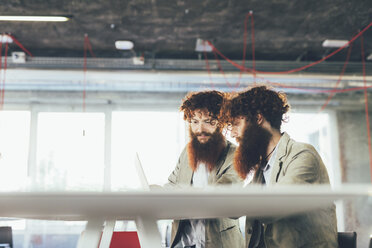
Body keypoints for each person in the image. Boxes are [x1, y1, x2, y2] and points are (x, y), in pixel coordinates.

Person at [221, 85, 338, 248]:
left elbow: (274, 206)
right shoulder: (264, 167)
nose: (232, 133)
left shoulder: (303, 155)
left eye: (236, 124)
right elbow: (233, 210)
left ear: (258, 118)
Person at [167, 90, 244, 248]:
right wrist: (155, 192)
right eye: (195, 122)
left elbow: (221, 194)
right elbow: (172, 185)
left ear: (222, 123)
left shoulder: (235, 155)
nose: (200, 129)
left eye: (209, 121)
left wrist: (181, 194)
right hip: (184, 243)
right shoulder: (186, 152)